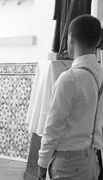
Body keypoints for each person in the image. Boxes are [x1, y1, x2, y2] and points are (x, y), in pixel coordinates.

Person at [38, 14, 103, 180]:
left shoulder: (69, 79)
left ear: (70, 38)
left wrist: (42, 163)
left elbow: (54, 126)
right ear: (97, 42)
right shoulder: (101, 75)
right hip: (93, 161)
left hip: (68, 164)